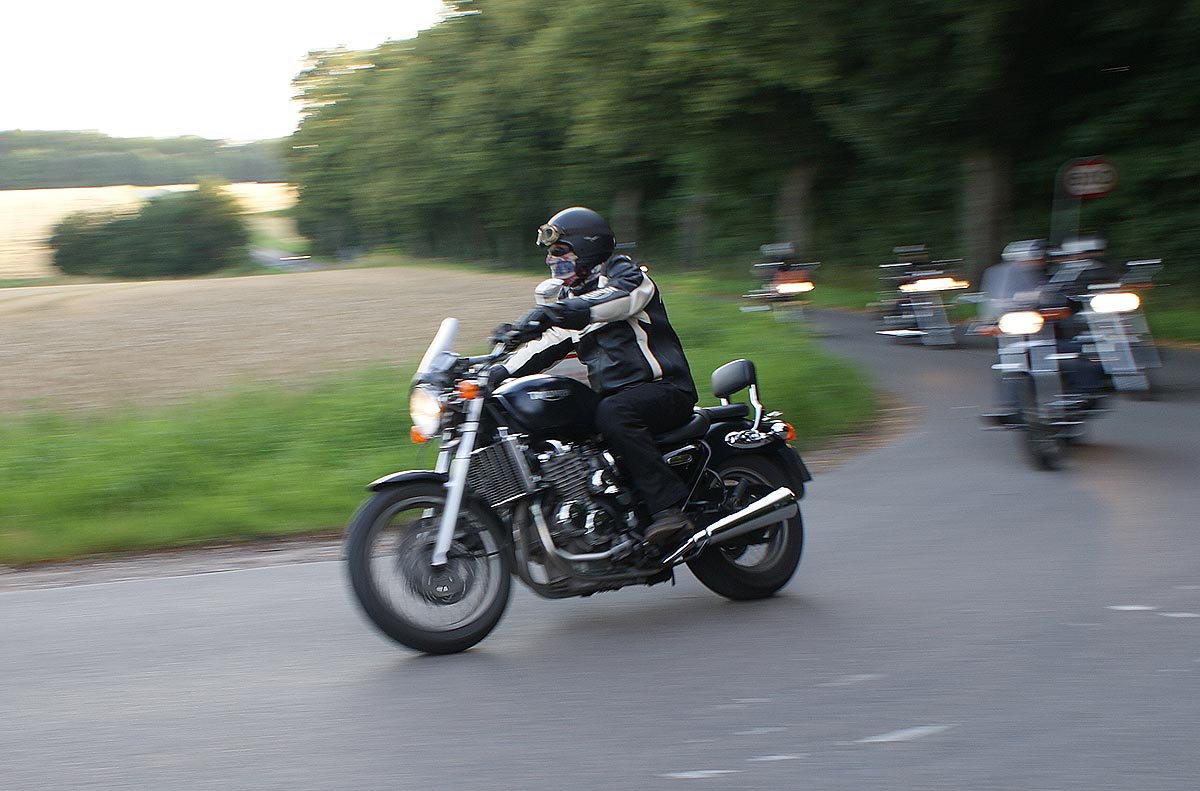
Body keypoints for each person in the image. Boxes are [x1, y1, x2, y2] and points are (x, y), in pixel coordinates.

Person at [489, 206, 699, 547]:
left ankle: (668, 510)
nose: (550, 260)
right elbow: (546, 346)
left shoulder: (626, 274)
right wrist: (494, 372)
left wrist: (552, 312)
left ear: (586, 248)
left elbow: (618, 299)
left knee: (614, 412)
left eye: (559, 251)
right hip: (616, 398)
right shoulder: (572, 299)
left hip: (664, 389)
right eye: (550, 253)